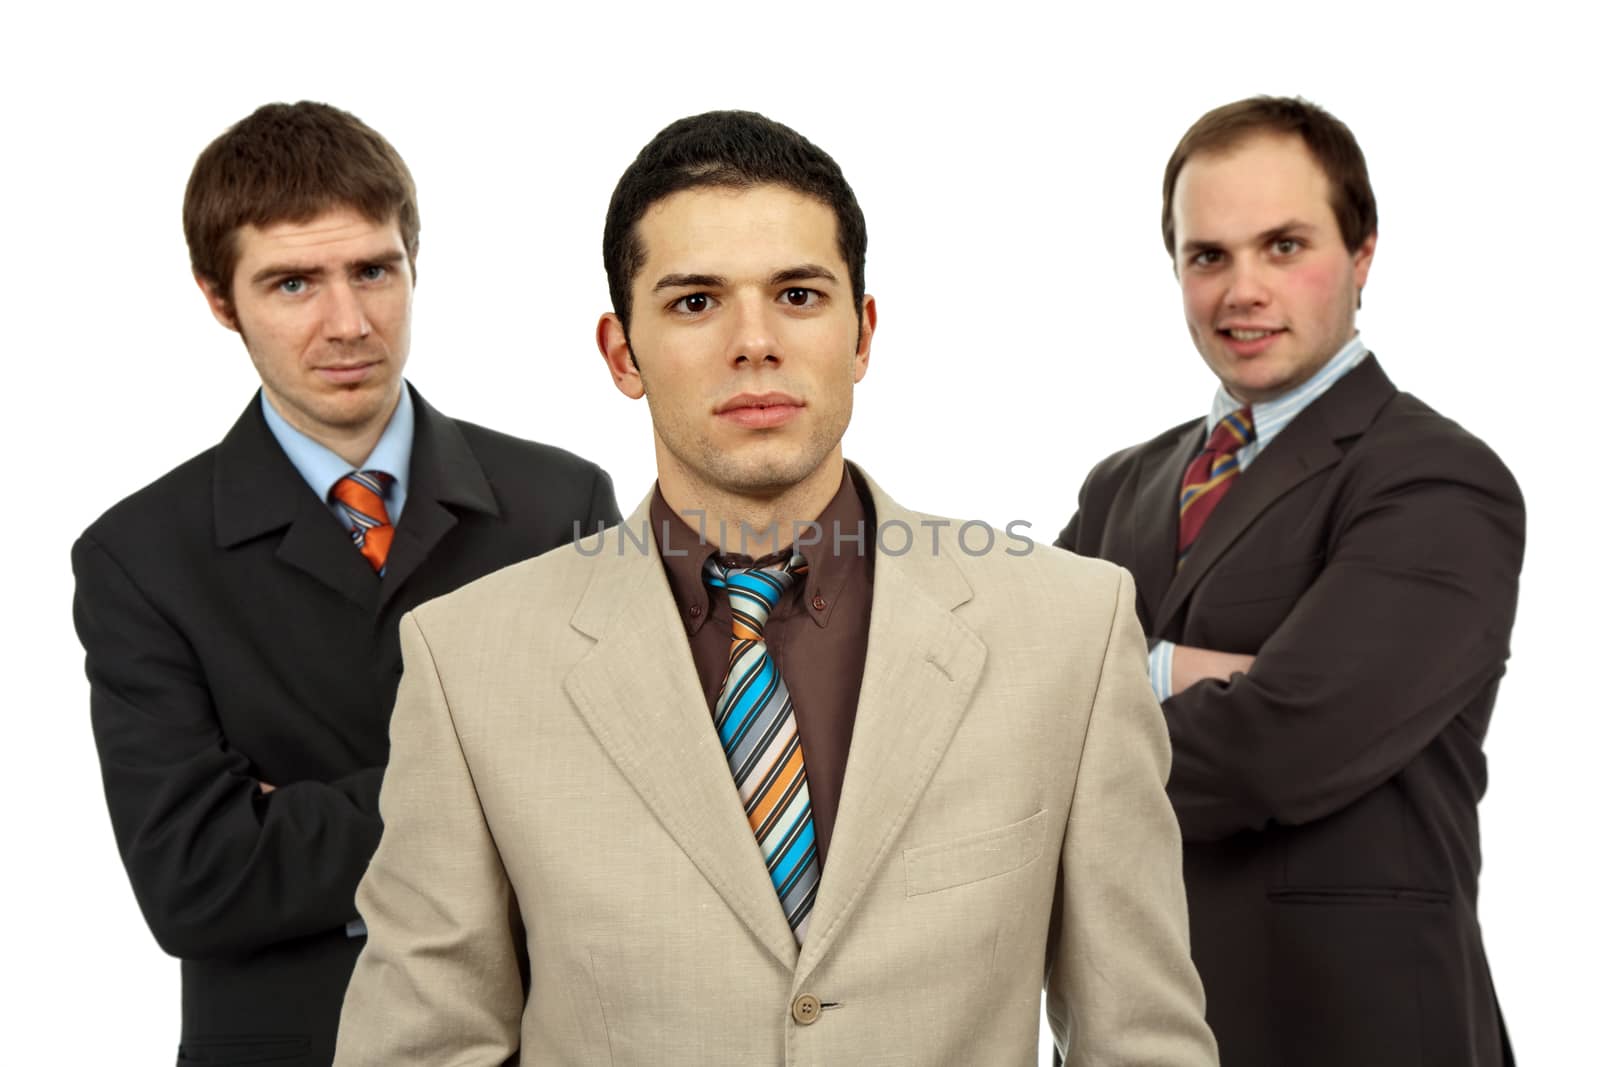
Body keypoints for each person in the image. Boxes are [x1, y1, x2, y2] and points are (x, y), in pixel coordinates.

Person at [333, 110, 1218, 1065]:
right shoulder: (469, 664)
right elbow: (418, 1048)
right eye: (694, 302)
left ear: (862, 333)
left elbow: (1143, 1041)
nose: (754, 342)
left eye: (798, 294)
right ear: (621, 353)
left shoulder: (1070, 632)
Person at [70, 100, 621, 1067]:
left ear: (415, 261)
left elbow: (623, 803)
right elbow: (198, 879)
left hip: (545, 1037)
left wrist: (295, 815)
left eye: (374, 269)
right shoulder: (141, 555)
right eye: (292, 282)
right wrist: (494, 784)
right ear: (219, 298)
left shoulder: (558, 503)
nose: (349, 322)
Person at [1057, 96, 1523, 1066]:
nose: (1242, 291)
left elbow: (1282, 742)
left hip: (1351, 1031)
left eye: (1283, 246)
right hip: (1131, 1028)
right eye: (1208, 256)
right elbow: (1015, 691)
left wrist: (1130, 673)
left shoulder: (1435, 478)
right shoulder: (1120, 486)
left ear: (1361, 256)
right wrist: (1207, 669)